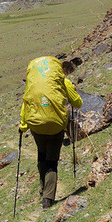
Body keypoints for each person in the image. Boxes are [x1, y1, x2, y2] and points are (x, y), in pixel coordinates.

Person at [19, 53, 82, 208]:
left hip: (35, 124)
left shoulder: (32, 84)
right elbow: (77, 103)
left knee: (42, 153)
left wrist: (23, 126)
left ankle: (43, 189)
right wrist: (72, 91)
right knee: (52, 160)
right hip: (55, 124)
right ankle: (48, 199)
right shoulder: (63, 80)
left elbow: (26, 103)